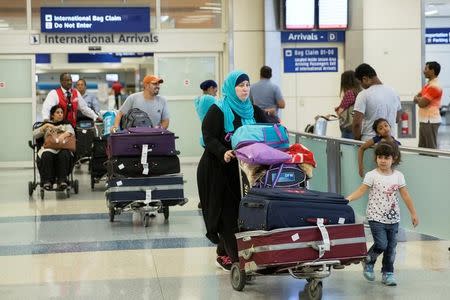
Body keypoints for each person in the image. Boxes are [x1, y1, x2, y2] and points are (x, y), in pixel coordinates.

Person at [197, 70, 267, 271]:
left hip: (244, 171)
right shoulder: (218, 110)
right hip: (218, 167)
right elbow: (208, 136)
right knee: (227, 213)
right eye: (240, 85)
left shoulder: (253, 110)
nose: (245, 89)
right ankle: (237, 260)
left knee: (241, 210)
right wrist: (224, 151)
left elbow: (268, 128)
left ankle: (223, 251)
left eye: (247, 85)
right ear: (231, 88)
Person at [347, 142, 419, 287]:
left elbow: (405, 195)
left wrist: (413, 213)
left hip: (393, 219)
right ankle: (368, 261)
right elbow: (361, 190)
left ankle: (388, 273)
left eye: (386, 157)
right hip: (375, 217)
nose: (383, 160)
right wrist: (348, 198)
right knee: (382, 244)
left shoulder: (398, 176)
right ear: (376, 159)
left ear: (394, 158)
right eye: (380, 157)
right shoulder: (371, 175)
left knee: (391, 248)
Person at [352, 64, 402, 141]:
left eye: (360, 83)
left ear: (365, 79)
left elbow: (356, 124)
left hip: (370, 143)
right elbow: (397, 119)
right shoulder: (394, 92)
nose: (361, 86)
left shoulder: (363, 95)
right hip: (390, 142)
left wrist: (357, 141)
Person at [33, 105, 75, 190]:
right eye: (57, 112)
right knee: (46, 155)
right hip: (49, 148)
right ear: (52, 115)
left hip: (63, 147)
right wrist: (44, 127)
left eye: (62, 113)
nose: (60, 114)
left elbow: (72, 132)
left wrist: (64, 134)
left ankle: (62, 180)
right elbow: (35, 135)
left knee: (64, 154)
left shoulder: (66, 124)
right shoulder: (46, 125)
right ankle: (47, 181)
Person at [413, 61, 443, 149]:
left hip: (430, 121)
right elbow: (416, 98)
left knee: (431, 149)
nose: (423, 71)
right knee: (422, 148)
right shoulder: (428, 85)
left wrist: (419, 99)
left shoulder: (434, 86)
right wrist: (419, 99)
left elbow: (421, 103)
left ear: (432, 71)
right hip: (425, 120)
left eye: (426, 69)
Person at [335, 70, 361, 139]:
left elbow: (340, 111)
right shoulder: (359, 92)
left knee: (346, 148)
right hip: (358, 127)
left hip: (348, 128)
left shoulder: (349, 93)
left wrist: (337, 109)